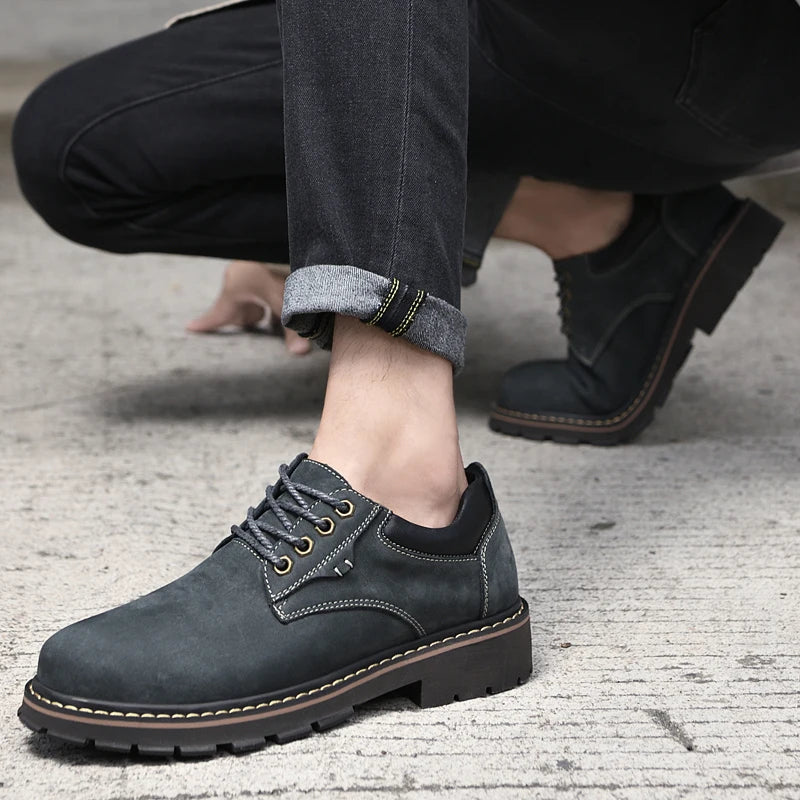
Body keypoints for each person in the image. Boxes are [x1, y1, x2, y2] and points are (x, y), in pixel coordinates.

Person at [13, 0, 800, 755]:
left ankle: (398, 480)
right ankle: (600, 227)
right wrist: (321, 217)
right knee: (79, 148)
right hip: (491, 31)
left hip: (712, 45)